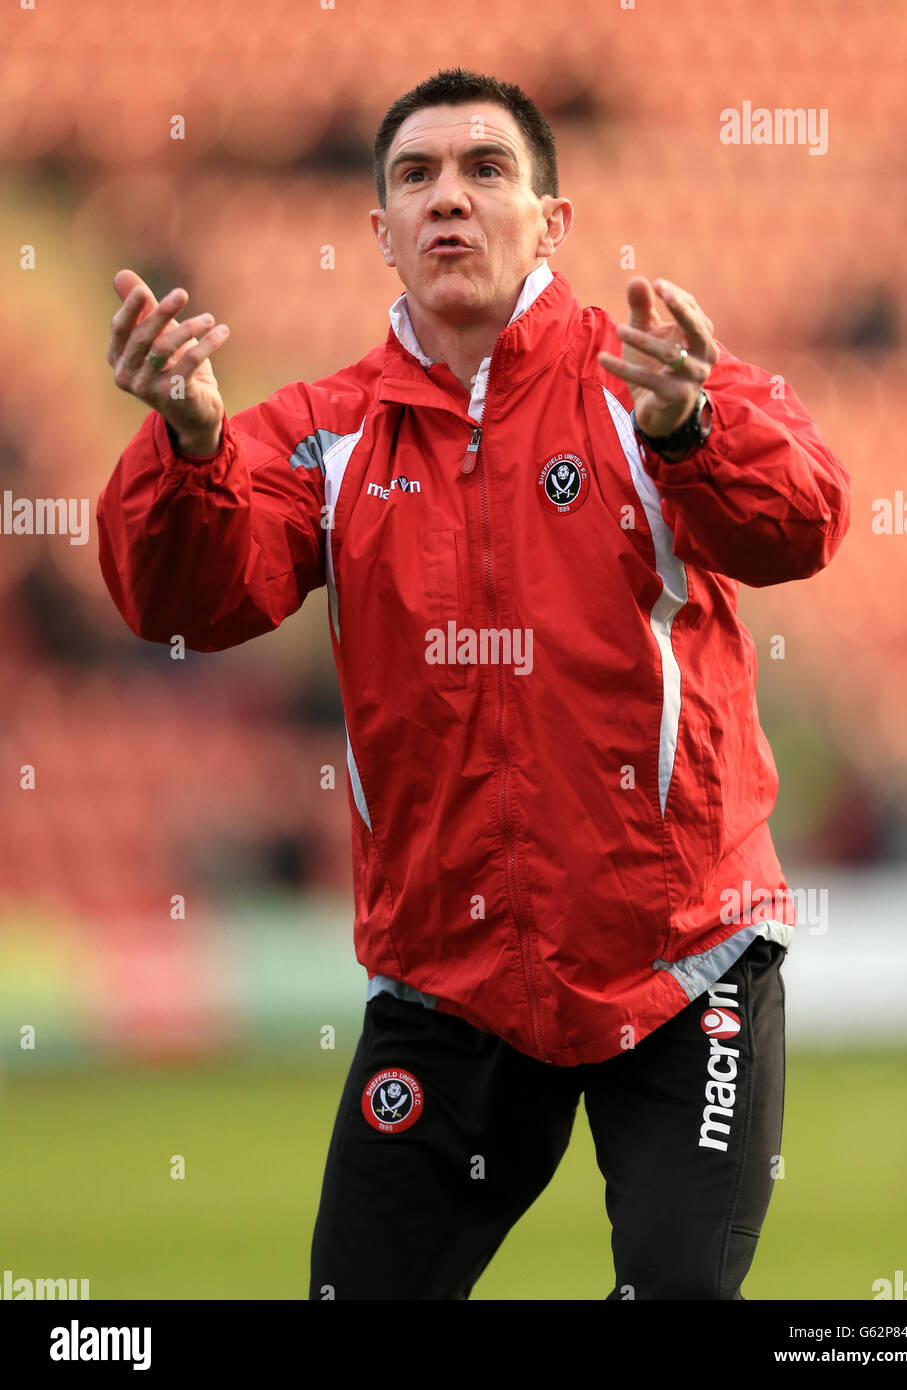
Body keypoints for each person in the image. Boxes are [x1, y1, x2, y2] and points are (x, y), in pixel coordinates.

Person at [97, 66, 851, 1300]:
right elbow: (184, 599)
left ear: (551, 221)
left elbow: (806, 523)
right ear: (379, 233)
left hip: (678, 968)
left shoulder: (644, 385)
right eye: (416, 177)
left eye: (485, 170)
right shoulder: (323, 433)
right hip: (452, 982)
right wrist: (186, 448)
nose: (449, 200)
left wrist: (692, 434)